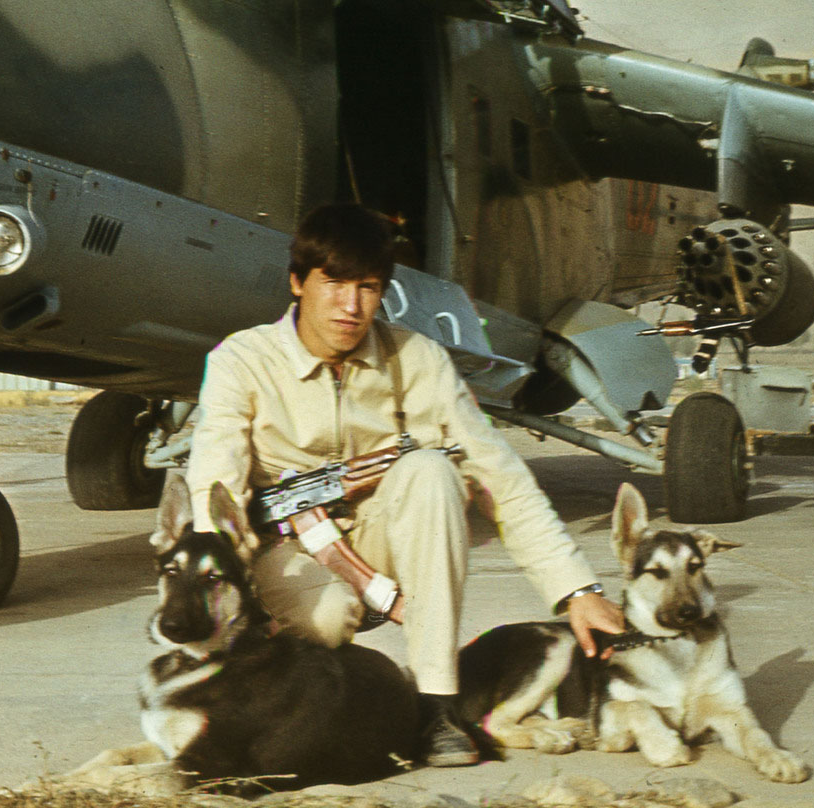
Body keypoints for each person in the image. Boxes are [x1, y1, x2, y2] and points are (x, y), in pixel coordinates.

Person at [185, 203, 624, 767]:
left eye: (368, 287)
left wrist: (578, 590)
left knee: (432, 472)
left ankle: (437, 707)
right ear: (297, 282)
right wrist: (213, 589)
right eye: (334, 283)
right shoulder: (242, 360)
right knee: (329, 616)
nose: (351, 306)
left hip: (383, 539)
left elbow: (501, 476)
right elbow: (214, 484)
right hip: (283, 553)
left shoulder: (417, 359)